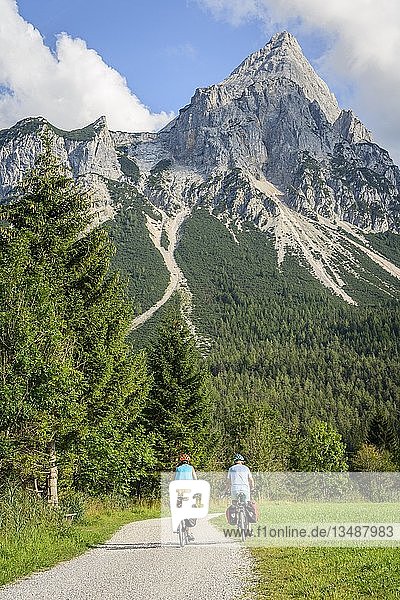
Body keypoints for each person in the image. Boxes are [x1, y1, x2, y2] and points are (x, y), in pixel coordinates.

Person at [175, 453, 197, 540]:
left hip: (179, 491)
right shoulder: (191, 468)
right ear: (188, 461)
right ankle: (189, 532)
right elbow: (195, 479)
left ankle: (177, 523)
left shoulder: (178, 468)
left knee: (177, 507)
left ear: (181, 461)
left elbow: (175, 480)